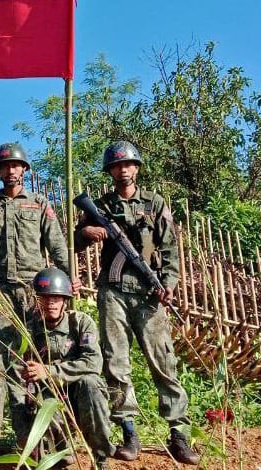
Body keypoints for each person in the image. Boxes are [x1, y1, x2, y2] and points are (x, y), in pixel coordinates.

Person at [74, 141, 199, 465]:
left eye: (128, 164)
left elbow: (170, 251)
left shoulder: (155, 203)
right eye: (117, 166)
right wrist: (88, 231)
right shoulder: (100, 205)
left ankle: (179, 434)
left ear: (137, 168)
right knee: (116, 363)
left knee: (163, 362)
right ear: (111, 171)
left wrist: (168, 285)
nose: (123, 169)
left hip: (148, 293)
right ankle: (128, 432)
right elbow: (74, 240)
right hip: (113, 291)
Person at [0, 143, 75, 447]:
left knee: (35, 357)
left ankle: (37, 431)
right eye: (5, 167)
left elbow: (57, 245)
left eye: (16, 166)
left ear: (24, 170)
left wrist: (68, 280)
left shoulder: (40, 204)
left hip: (36, 292)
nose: (11, 171)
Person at [9, 268, 113, 470]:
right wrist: (23, 433)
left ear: (65, 300)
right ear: (37, 300)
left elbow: (93, 363)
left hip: (79, 395)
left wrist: (49, 371)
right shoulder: (28, 330)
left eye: (56, 299)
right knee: (49, 453)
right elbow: (16, 379)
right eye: (45, 299)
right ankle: (59, 451)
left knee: (91, 384)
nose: (50, 304)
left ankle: (100, 457)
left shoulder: (81, 323)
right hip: (48, 398)